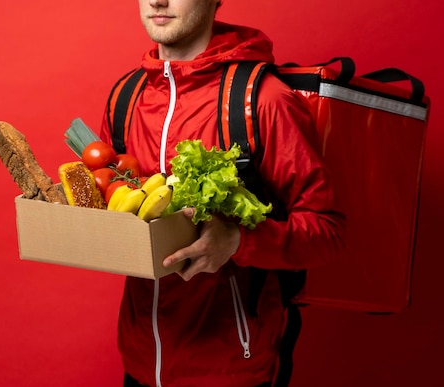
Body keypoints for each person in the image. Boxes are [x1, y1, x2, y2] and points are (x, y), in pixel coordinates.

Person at [98, 1, 345, 386]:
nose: (158, 0)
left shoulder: (262, 101)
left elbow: (328, 232)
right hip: (140, 363)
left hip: (233, 368)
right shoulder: (125, 98)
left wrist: (238, 240)